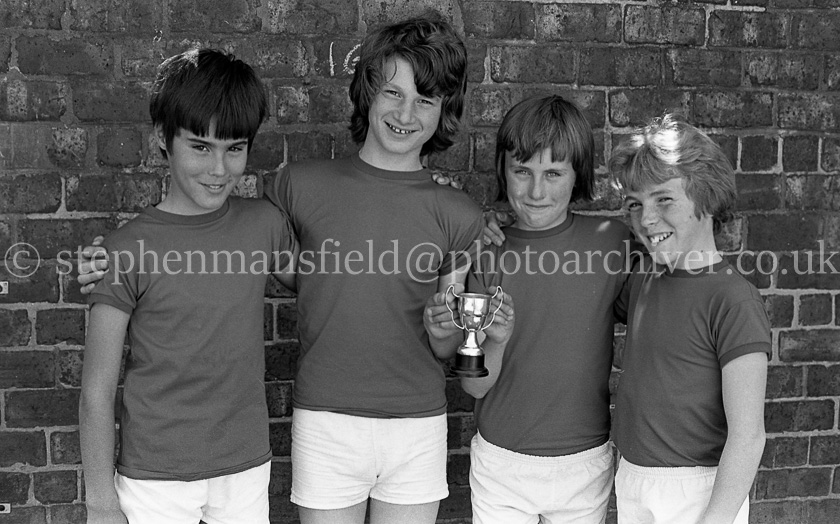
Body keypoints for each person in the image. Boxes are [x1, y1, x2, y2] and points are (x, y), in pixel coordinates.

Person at [79, 13, 485, 524]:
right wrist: (111, 256)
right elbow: (98, 388)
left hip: (334, 447)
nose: (218, 167)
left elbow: (348, 286)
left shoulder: (456, 216)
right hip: (214, 457)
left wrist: (469, 254)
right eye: (392, 92)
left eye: (425, 99)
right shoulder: (292, 190)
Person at [79, 49, 297, 524]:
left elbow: (329, 283)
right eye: (201, 146)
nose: (219, 169)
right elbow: (96, 389)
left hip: (244, 465)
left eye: (234, 148)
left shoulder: (264, 224)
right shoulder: (124, 249)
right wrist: (100, 503)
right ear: (163, 138)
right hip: (154, 475)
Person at [425, 95, 634, 524]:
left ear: (577, 176)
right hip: (501, 460)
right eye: (523, 171)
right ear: (503, 169)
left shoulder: (614, 243)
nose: (536, 191)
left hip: (585, 459)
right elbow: (474, 387)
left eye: (553, 173)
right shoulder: (488, 252)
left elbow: (662, 323)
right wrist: (497, 341)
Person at [610, 114, 769, 524]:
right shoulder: (644, 278)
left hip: (700, 491)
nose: (646, 219)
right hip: (634, 479)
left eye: (664, 199)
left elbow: (748, 437)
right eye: (635, 204)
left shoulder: (733, 299)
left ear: (706, 198)